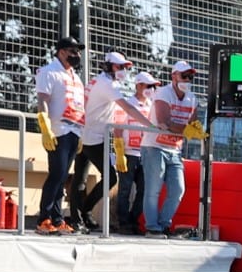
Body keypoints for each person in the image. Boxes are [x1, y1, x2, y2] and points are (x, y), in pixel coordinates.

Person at [75, 52, 142, 232]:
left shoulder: (99, 81)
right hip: (94, 138)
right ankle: (83, 212)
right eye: (119, 67)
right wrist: (149, 125)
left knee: (79, 180)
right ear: (108, 66)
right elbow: (127, 107)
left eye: (125, 67)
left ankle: (79, 217)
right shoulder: (107, 84)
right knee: (110, 178)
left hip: (86, 134)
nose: (123, 71)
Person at [32, 37, 86, 234]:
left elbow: (78, 105)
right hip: (58, 130)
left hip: (74, 130)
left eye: (78, 52)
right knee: (56, 174)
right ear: (62, 52)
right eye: (73, 51)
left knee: (63, 177)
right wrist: (45, 127)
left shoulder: (75, 77)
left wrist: (81, 132)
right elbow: (43, 100)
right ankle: (43, 219)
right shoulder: (49, 72)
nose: (77, 55)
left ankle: (57, 218)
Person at [146, 60, 198, 236]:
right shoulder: (163, 92)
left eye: (190, 76)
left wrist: (192, 130)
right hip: (154, 146)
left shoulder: (192, 98)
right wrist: (189, 130)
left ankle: (163, 224)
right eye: (184, 76)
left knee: (178, 189)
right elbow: (164, 122)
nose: (187, 80)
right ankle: (153, 228)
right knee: (153, 189)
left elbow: (195, 124)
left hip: (175, 148)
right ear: (174, 76)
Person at [116, 72, 159, 233]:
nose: (152, 89)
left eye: (153, 86)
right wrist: (120, 152)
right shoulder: (127, 103)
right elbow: (118, 128)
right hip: (129, 153)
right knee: (125, 189)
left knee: (145, 189)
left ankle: (133, 221)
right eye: (149, 86)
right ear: (138, 85)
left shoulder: (153, 105)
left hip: (147, 154)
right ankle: (123, 223)